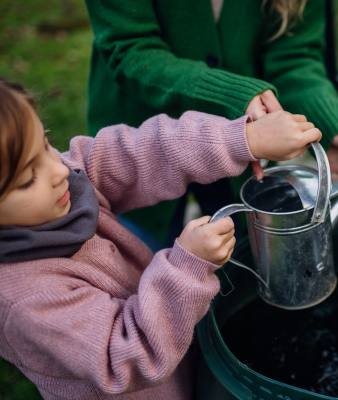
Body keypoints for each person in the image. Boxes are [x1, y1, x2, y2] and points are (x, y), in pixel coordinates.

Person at [0, 78, 321, 399]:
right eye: (28, 178)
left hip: (178, 371)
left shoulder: (65, 175)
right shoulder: (25, 301)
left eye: (46, 144)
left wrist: (242, 139)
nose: (58, 170)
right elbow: (125, 356)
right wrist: (186, 268)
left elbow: (142, 153)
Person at [84, 0, 338, 247]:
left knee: (233, 266)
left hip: (242, 152)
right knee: (139, 269)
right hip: (142, 145)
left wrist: (333, 128)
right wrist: (232, 95)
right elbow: (130, 49)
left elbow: (295, 57)